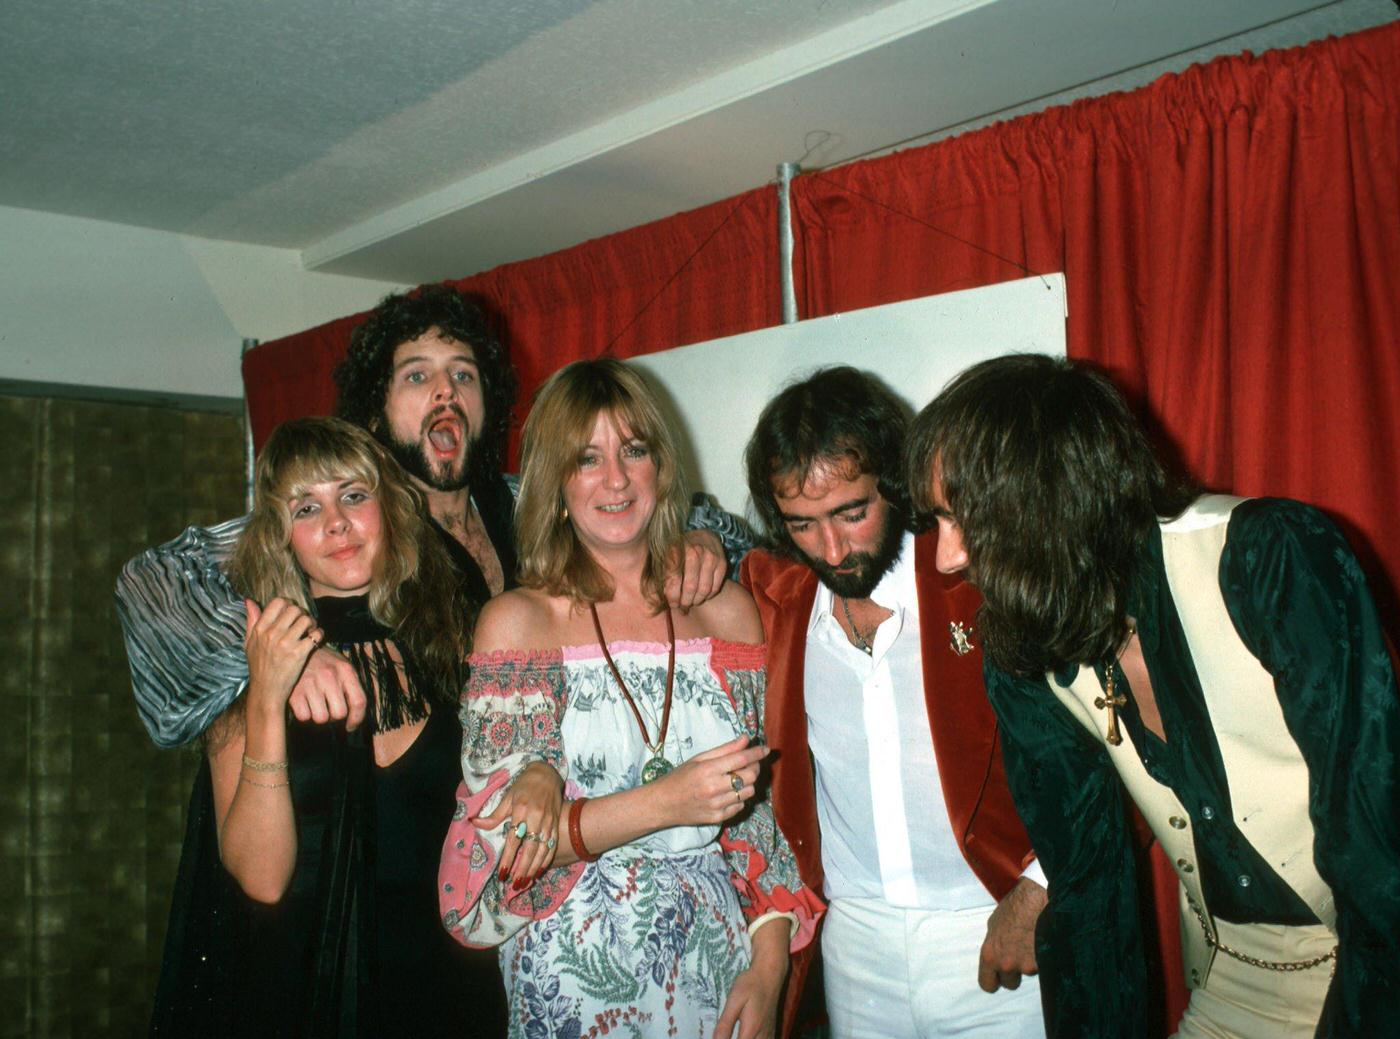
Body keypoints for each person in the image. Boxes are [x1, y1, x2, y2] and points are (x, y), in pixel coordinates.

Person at [906, 353, 1400, 1038]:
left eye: (962, 520)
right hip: (1237, 982)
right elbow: (1089, 894)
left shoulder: (1271, 557)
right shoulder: (1023, 653)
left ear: (1049, 498)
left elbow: (1381, 855)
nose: (946, 559)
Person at [116, 285, 741, 750]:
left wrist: (700, 537)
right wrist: (287, 653)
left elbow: (699, 520)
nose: (446, 393)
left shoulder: (528, 503)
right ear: (376, 408)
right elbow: (152, 582)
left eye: (462, 375)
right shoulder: (352, 526)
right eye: (418, 376)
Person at [438, 359, 822, 1039]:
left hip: (719, 960)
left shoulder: (729, 613)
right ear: (555, 483)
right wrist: (667, 801)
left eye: (634, 450)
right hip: (571, 971)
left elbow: (756, 822)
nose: (615, 478)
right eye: (587, 457)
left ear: (661, 468)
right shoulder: (517, 622)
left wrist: (769, 971)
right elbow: (511, 850)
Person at [151, 417, 524, 1037]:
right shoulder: (241, 661)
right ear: (280, 536)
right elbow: (262, 880)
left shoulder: (450, 642)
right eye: (306, 507)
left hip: (448, 992)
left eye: (353, 495)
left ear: (389, 507)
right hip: (303, 997)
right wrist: (268, 694)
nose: (336, 523)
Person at [739, 367, 1047, 1038]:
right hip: (855, 944)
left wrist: (1039, 889)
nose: (833, 547)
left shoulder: (977, 583)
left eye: (853, 511)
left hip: (994, 925)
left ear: (896, 484)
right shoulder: (779, 606)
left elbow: (1102, 737)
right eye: (802, 523)